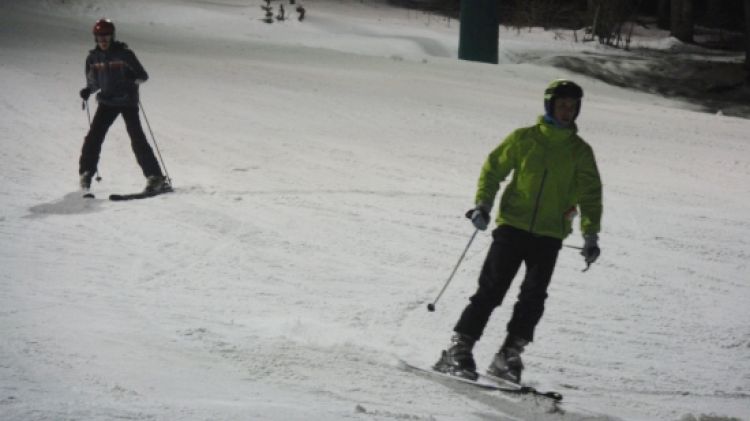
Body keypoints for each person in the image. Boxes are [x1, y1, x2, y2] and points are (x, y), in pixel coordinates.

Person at [433, 79, 603, 384]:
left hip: (550, 234)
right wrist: (483, 205)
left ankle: (508, 355)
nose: (567, 111)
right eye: (562, 105)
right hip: (512, 226)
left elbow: (591, 195)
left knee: (533, 297)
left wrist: (591, 236)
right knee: (491, 290)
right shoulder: (524, 139)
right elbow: (493, 168)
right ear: (550, 106)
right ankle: (458, 349)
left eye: (572, 106)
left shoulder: (580, 152)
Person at [78, 18, 169, 194]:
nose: (103, 40)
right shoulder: (92, 58)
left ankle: (155, 177)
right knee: (93, 138)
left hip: (127, 101)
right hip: (107, 102)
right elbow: (94, 83)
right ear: (95, 38)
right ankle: (86, 174)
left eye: (106, 36)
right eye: (99, 37)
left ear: (112, 36)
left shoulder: (125, 55)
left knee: (137, 138)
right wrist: (88, 90)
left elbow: (143, 76)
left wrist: (131, 79)